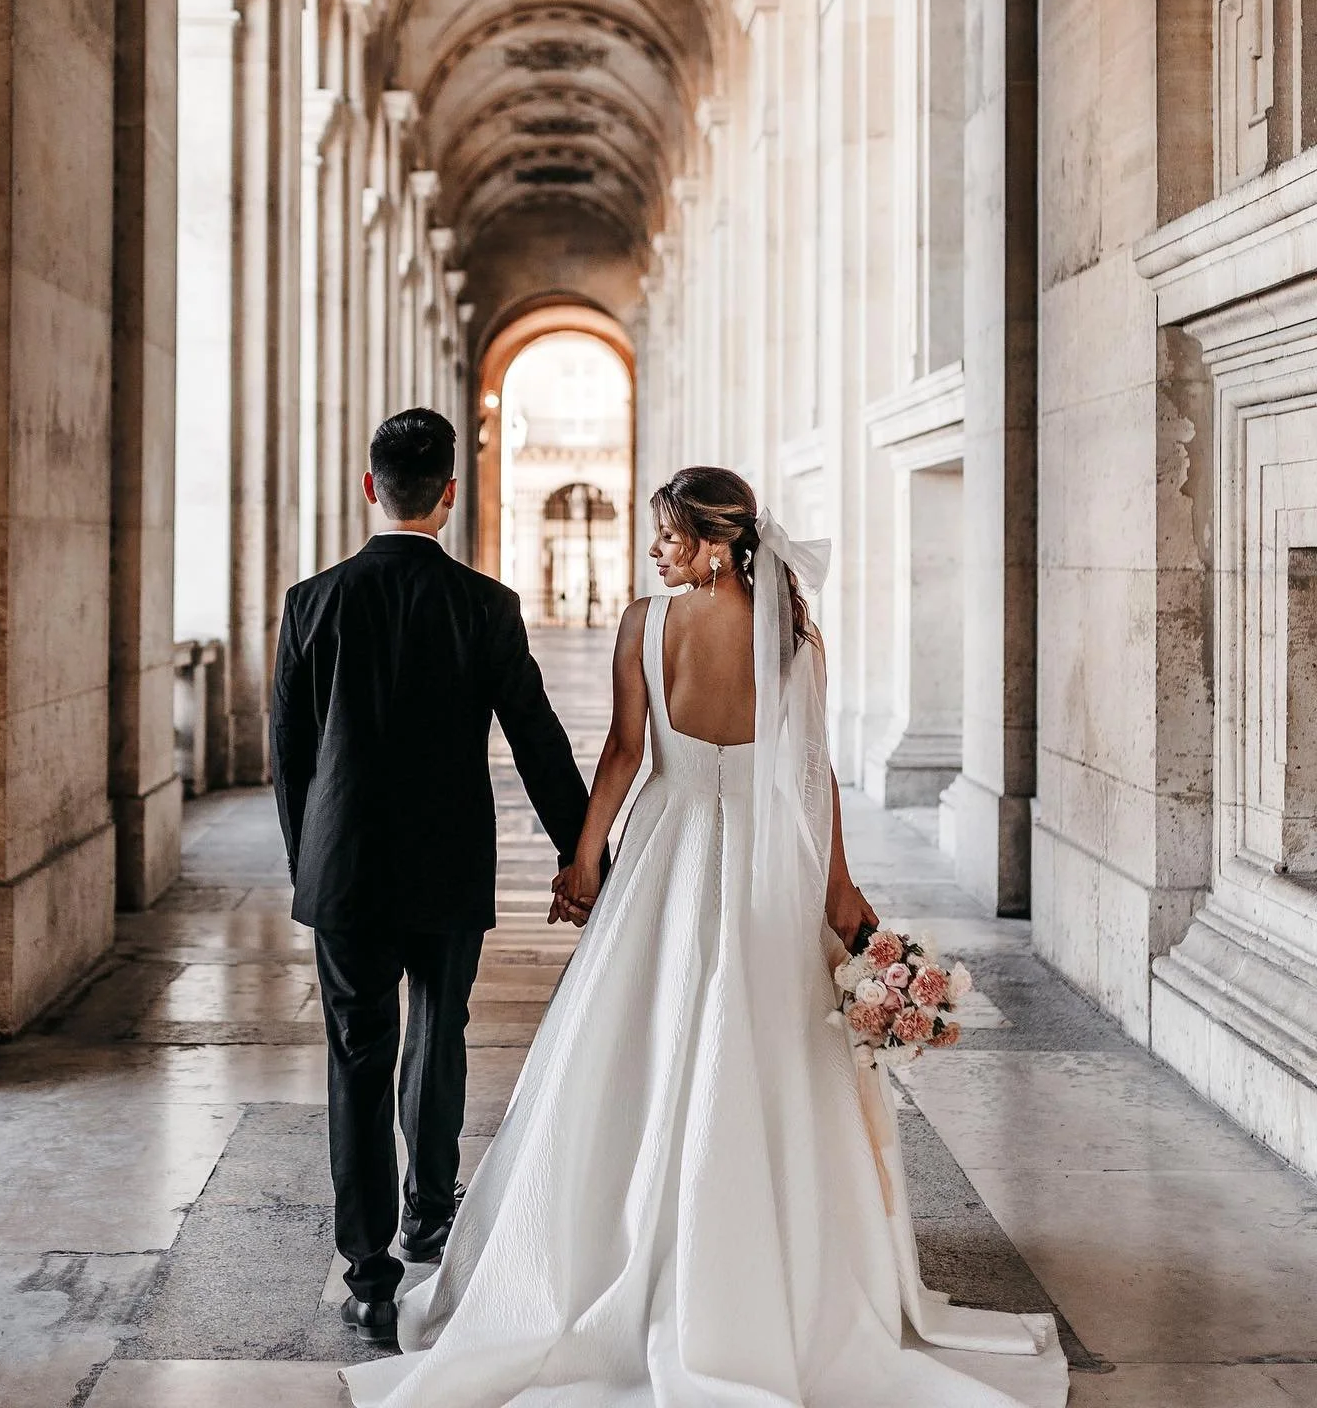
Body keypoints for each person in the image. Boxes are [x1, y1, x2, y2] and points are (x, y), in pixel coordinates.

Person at [342, 466, 1069, 1407]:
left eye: (670, 535)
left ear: (717, 545)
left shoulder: (647, 625)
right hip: (770, 863)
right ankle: (766, 1260)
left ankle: (631, 1245)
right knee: (759, 1045)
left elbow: (624, 753)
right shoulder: (795, 637)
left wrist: (585, 858)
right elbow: (814, 771)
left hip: (669, 844)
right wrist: (837, 887)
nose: (655, 550)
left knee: (638, 1038)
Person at [270, 408, 593, 1345]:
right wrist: (583, 855)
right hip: (450, 862)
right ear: (451, 494)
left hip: (345, 869)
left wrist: (307, 863)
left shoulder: (311, 601)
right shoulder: (485, 605)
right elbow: (537, 739)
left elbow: (289, 756)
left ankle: (369, 1277)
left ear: (370, 488)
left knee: (357, 1056)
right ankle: (428, 1217)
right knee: (438, 1037)